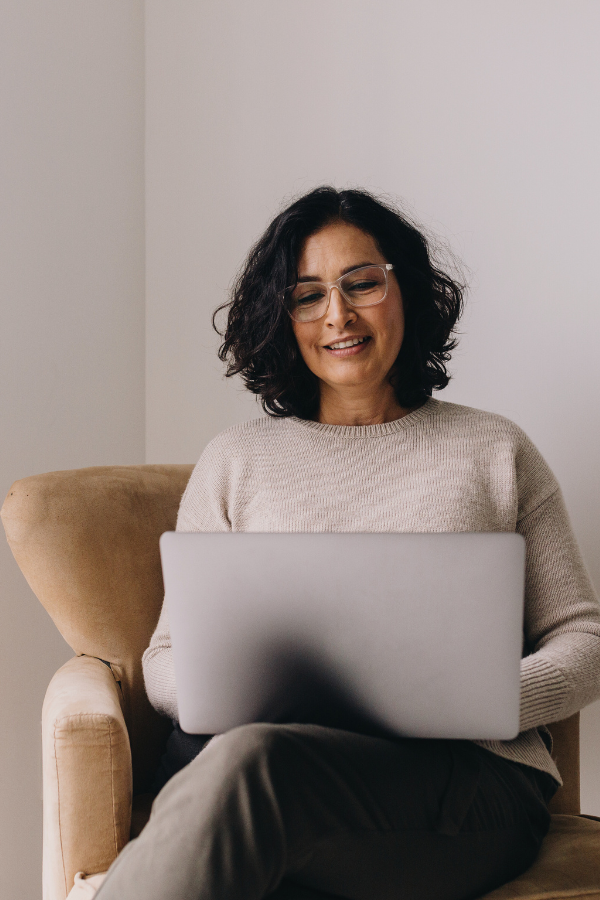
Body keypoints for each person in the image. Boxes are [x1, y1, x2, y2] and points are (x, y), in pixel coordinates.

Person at [95, 187, 600, 900]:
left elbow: (583, 639)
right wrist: (235, 704)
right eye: (308, 295)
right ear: (284, 317)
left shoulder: (494, 448)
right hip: (258, 766)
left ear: (407, 288)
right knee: (252, 762)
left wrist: (484, 700)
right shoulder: (236, 460)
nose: (338, 314)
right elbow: (165, 662)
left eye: (361, 283)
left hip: (461, 790)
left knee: (253, 770)